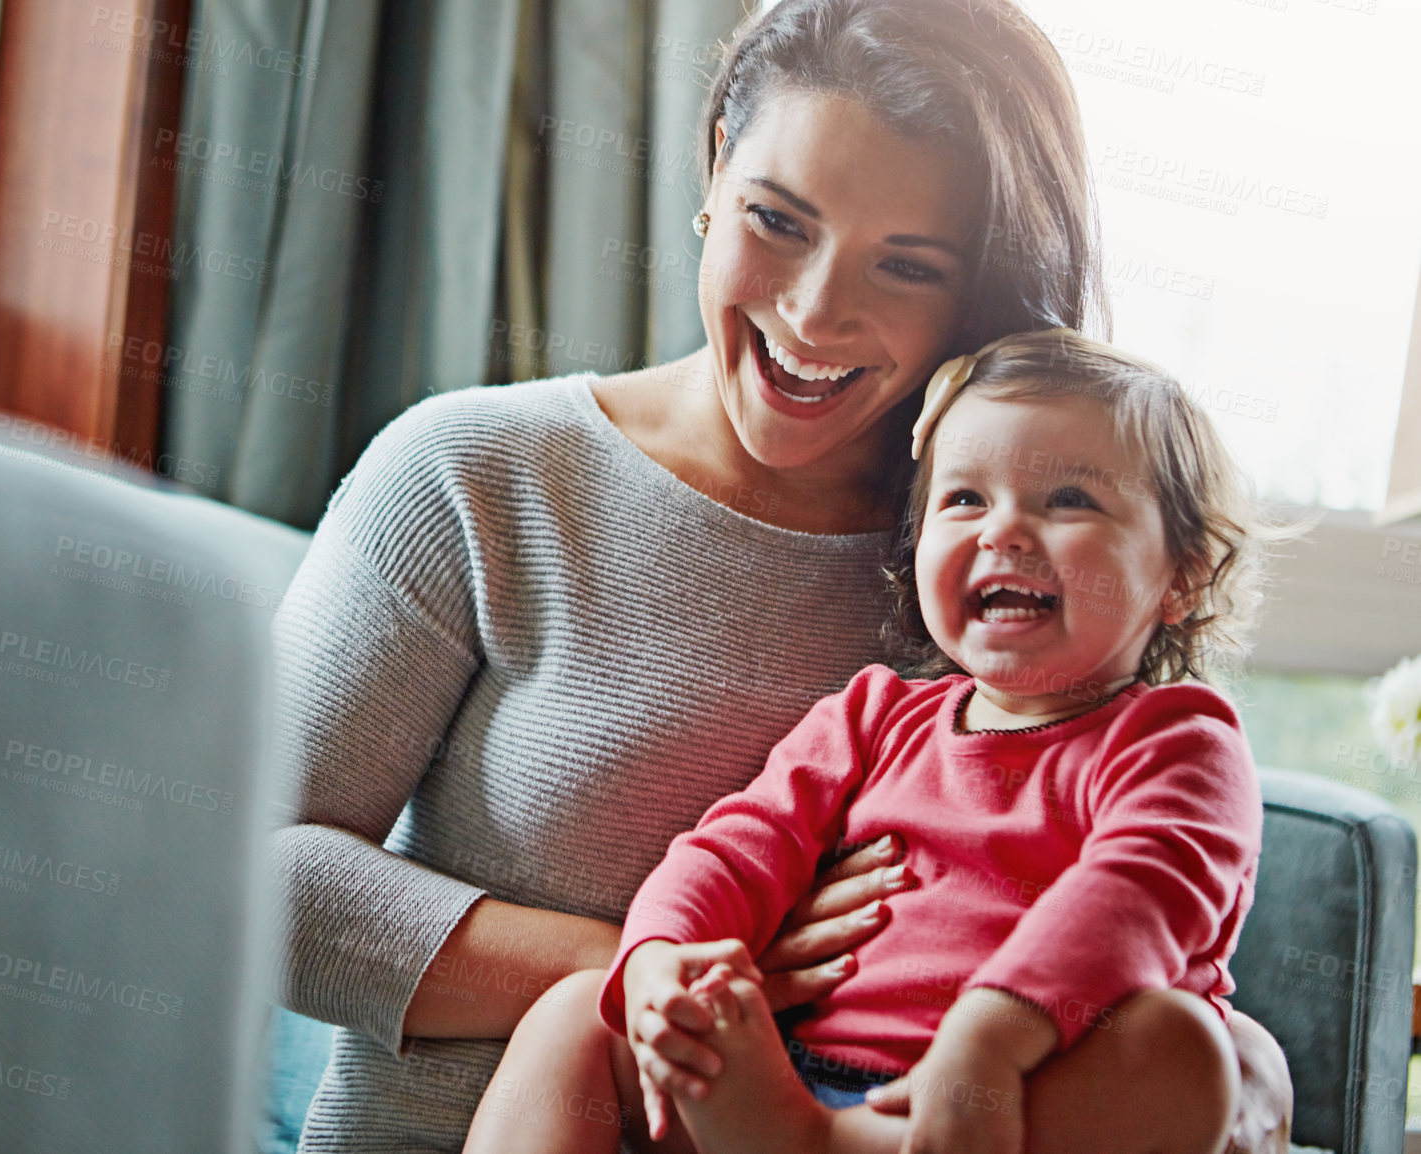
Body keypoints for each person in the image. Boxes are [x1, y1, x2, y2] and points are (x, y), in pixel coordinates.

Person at [268, 1, 1292, 1150]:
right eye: (776, 219)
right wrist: (684, 973)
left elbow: (1127, 894)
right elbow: (249, 877)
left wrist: (1232, 1074)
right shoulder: (473, 473)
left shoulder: (992, 577)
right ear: (713, 167)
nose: (814, 311)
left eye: (906, 265)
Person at [463, 330, 1272, 1154]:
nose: (1005, 531)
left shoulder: (1181, 743)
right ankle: (817, 1137)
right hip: (774, 1087)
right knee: (576, 1012)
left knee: (1180, 1051)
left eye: (1070, 500)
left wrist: (987, 1041)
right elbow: (736, 848)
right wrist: (661, 960)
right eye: (964, 499)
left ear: (1183, 576)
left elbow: (1132, 898)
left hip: (1004, 1107)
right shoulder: (873, 717)